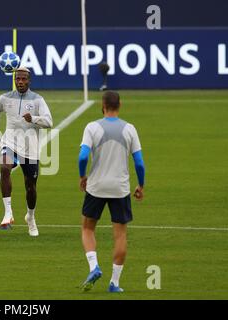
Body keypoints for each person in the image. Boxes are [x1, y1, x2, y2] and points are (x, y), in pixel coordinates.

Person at [78, 91, 145, 292]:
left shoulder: (92, 127)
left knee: (88, 228)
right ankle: (114, 283)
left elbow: (82, 157)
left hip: (96, 186)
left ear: (102, 105)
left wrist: (83, 176)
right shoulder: (130, 129)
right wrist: (140, 185)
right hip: (120, 188)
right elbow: (139, 163)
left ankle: (94, 266)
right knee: (120, 235)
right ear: (120, 105)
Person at [0, 67, 53, 236]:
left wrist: (33, 119)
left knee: (31, 187)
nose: (20, 82)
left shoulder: (38, 100)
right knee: (4, 167)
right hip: (10, 142)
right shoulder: (5, 98)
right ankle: (8, 212)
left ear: (29, 80)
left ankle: (30, 218)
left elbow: (49, 121)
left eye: (24, 79)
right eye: (18, 79)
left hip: (30, 148)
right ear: (14, 80)